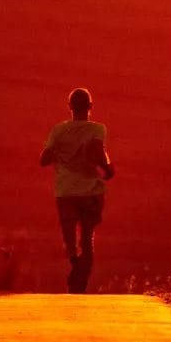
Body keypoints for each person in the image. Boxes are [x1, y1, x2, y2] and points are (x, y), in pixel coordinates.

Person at [39, 88, 114, 293]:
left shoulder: (58, 131)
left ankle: (74, 264)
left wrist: (60, 153)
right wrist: (108, 169)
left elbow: (43, 160)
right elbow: (98, 151)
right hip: (90, 192)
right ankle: (80, 283)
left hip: (65, 192)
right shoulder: (97, 129)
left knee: (70, 241)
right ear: (90, 107)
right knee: (87, 239)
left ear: (69, 107)